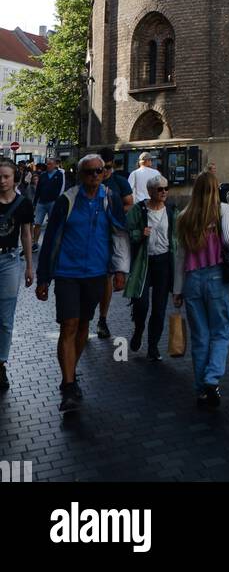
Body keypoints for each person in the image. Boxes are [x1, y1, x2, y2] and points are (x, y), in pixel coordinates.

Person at [35, 153, 130, 412]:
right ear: (80, 175)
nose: (95, 175)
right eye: (89, 172)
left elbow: (119, 234)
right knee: (69, 325)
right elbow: (51, 240)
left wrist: (121, 270)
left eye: (99, 171)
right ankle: (67, 386)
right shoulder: (67, 201)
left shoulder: (110, 198)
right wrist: (44, 277)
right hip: (67, 273)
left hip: (96, 274)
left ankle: (71, 374)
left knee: (83, 326)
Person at [173, 171, 229, 407]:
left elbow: (179, 257)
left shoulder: (184, 216)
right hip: (215, 276)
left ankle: (201, 388)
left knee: (200, 337)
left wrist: (176, 290)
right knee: (222, 331)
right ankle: (212, 378)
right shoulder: (222, 210)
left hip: (191, 280)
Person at [125, 174, 178, 360]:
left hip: (163, 263)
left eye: (166, 188)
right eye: (159, 189)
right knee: (141, 305)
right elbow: (128, 232)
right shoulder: (139, 210)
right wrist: (140, 233)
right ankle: (138, 329)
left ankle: (153, 346)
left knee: (159, 308)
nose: (164, 192)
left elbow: (177, 238)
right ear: (150, 191)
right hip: (143, 262)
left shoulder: (171, 210)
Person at [0, 157, 34, 392]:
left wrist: (30, 266)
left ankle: (0, 363)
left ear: (14, 178)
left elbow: (26, 235)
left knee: (5, 318)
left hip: (10, 261)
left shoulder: (24, 204)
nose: (2, 181)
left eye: (6, 176)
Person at [96, 149, 133, 339]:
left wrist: (113, 212)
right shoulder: (90, 181)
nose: (104, 172)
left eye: (108, 168)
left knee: (106, 278)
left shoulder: (120, 182)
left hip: (112, 235)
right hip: (92, 238)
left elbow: (129, 203)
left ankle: (102, 319)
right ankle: (86, 318)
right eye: (102, 168)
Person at [32, 157, 65, 251]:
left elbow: (60, 188)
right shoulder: (43, 175)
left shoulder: (59, 174)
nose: (48, 165)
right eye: (47, 164)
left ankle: (52, 242)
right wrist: (35, 202)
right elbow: (38, 189)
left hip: (52, 202)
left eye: (50, 164)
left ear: (54, 165)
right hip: (41, 202)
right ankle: (35, 243)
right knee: (37, 223)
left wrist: (58, 201)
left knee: (52, 224)